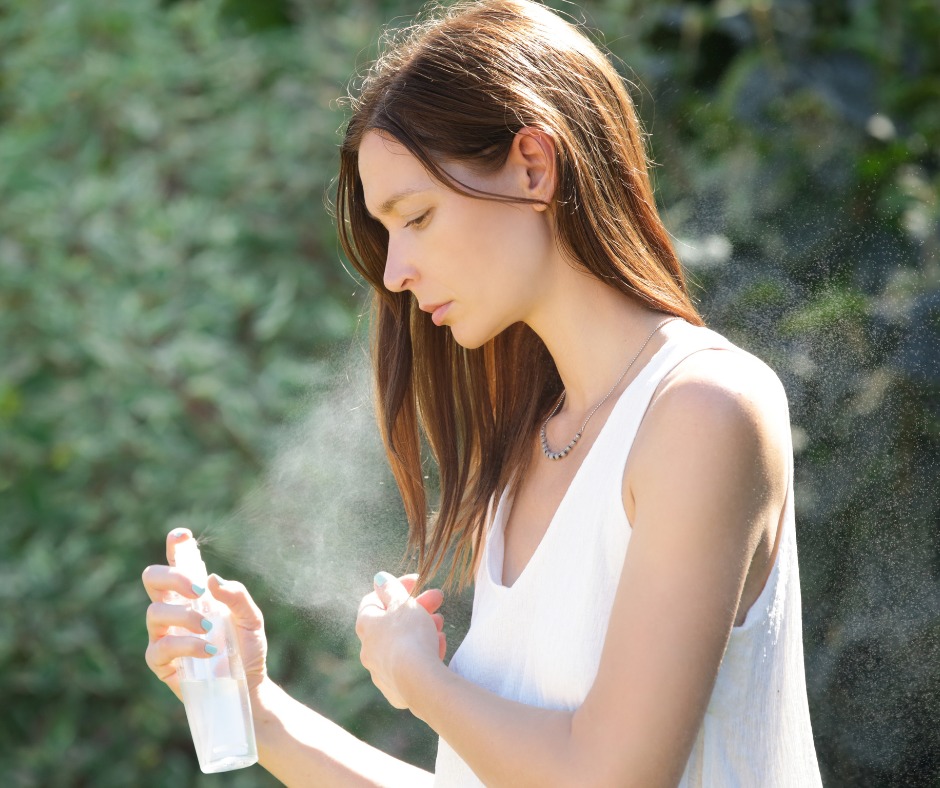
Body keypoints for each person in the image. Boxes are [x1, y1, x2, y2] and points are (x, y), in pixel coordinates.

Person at [142, 0, 823, 784]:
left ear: (533, 167)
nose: (395, 271)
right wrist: (261, 710)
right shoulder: (529, 453)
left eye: (416, 216)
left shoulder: (703, 410)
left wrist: (421, 680)